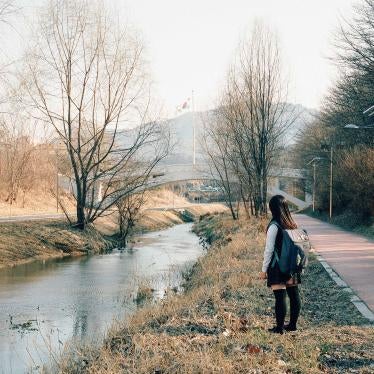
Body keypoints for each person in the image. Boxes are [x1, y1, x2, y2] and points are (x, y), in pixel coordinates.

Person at [259, 195, 301, 334]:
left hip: (277, 266)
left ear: (272, 209)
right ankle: (292, 325)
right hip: (292, 265)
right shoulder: (292, 224)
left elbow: (269, 249)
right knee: (294, 295)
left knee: (280, 297)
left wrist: (263, 270)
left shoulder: (274, 226)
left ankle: (279, 328)